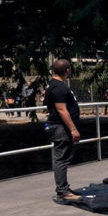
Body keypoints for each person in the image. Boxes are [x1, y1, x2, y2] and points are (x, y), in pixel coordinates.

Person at [44, 59, 83, 204]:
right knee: (61, 159)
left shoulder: (54, 85)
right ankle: (63, 192)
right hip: (60, 128)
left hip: (59, 127)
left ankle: (63, 188)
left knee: (62, 158)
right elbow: (61, 110)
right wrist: (73, 129)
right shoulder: (59, 88)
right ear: (67, 70)